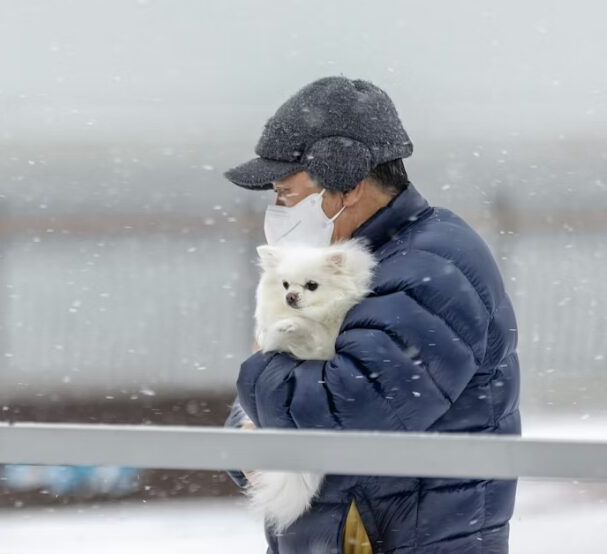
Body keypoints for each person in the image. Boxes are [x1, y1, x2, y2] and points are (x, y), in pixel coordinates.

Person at [222, 76, 521, 554]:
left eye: (285, 193)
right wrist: (262, 410)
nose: (276, 211)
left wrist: (261, 368)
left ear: (347, 187)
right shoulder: (356, 262)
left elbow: (346, 410)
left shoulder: (429, 267)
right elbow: (255, 446)